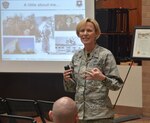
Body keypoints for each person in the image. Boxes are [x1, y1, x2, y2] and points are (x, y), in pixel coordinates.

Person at [63, 18, 124, 123]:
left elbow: (117, 85)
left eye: (89, 30)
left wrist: (102, 78)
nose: (85, 34)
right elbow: (72, 89)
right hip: (79, 114)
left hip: (100, 116)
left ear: (96, 33)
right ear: (78, 34)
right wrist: (67, 79)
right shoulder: (76, 56)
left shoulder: (105, 55)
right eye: (82, 31)